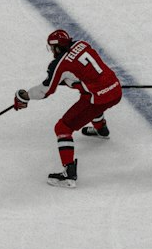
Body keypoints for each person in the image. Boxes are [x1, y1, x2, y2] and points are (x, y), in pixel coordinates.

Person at [12, 28, 123, 188]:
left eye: (52, 47)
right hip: (115, 88)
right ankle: (101, 129)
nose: (51, 51)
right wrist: (69, 81)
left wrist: (25, 96)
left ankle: (68, 175)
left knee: (62, 128)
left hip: (99, 98)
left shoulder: (60, 64)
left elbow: (45, 90)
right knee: (86, 93)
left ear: (57, 47)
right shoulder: (82, 44)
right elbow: (85, 72)